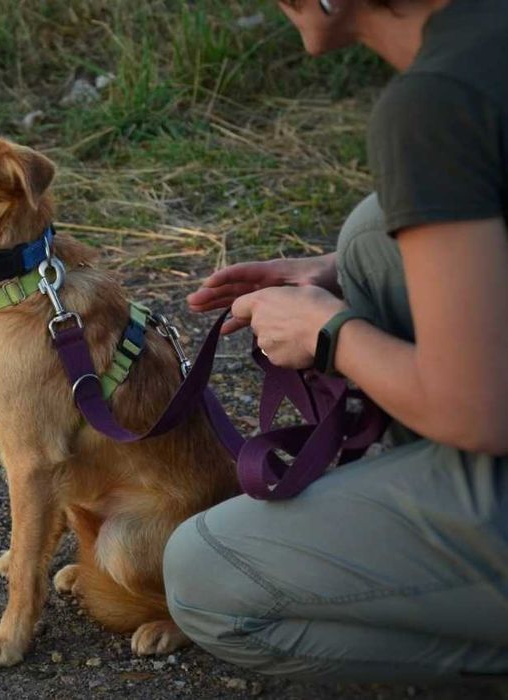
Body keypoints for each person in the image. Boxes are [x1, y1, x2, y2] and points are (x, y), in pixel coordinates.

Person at [162, 0, 508, 682]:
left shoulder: (434, 102)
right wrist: (342, 273)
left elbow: (478, 412)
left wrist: (327, 333)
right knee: (372, 242)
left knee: (204, 571)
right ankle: (439, 504)